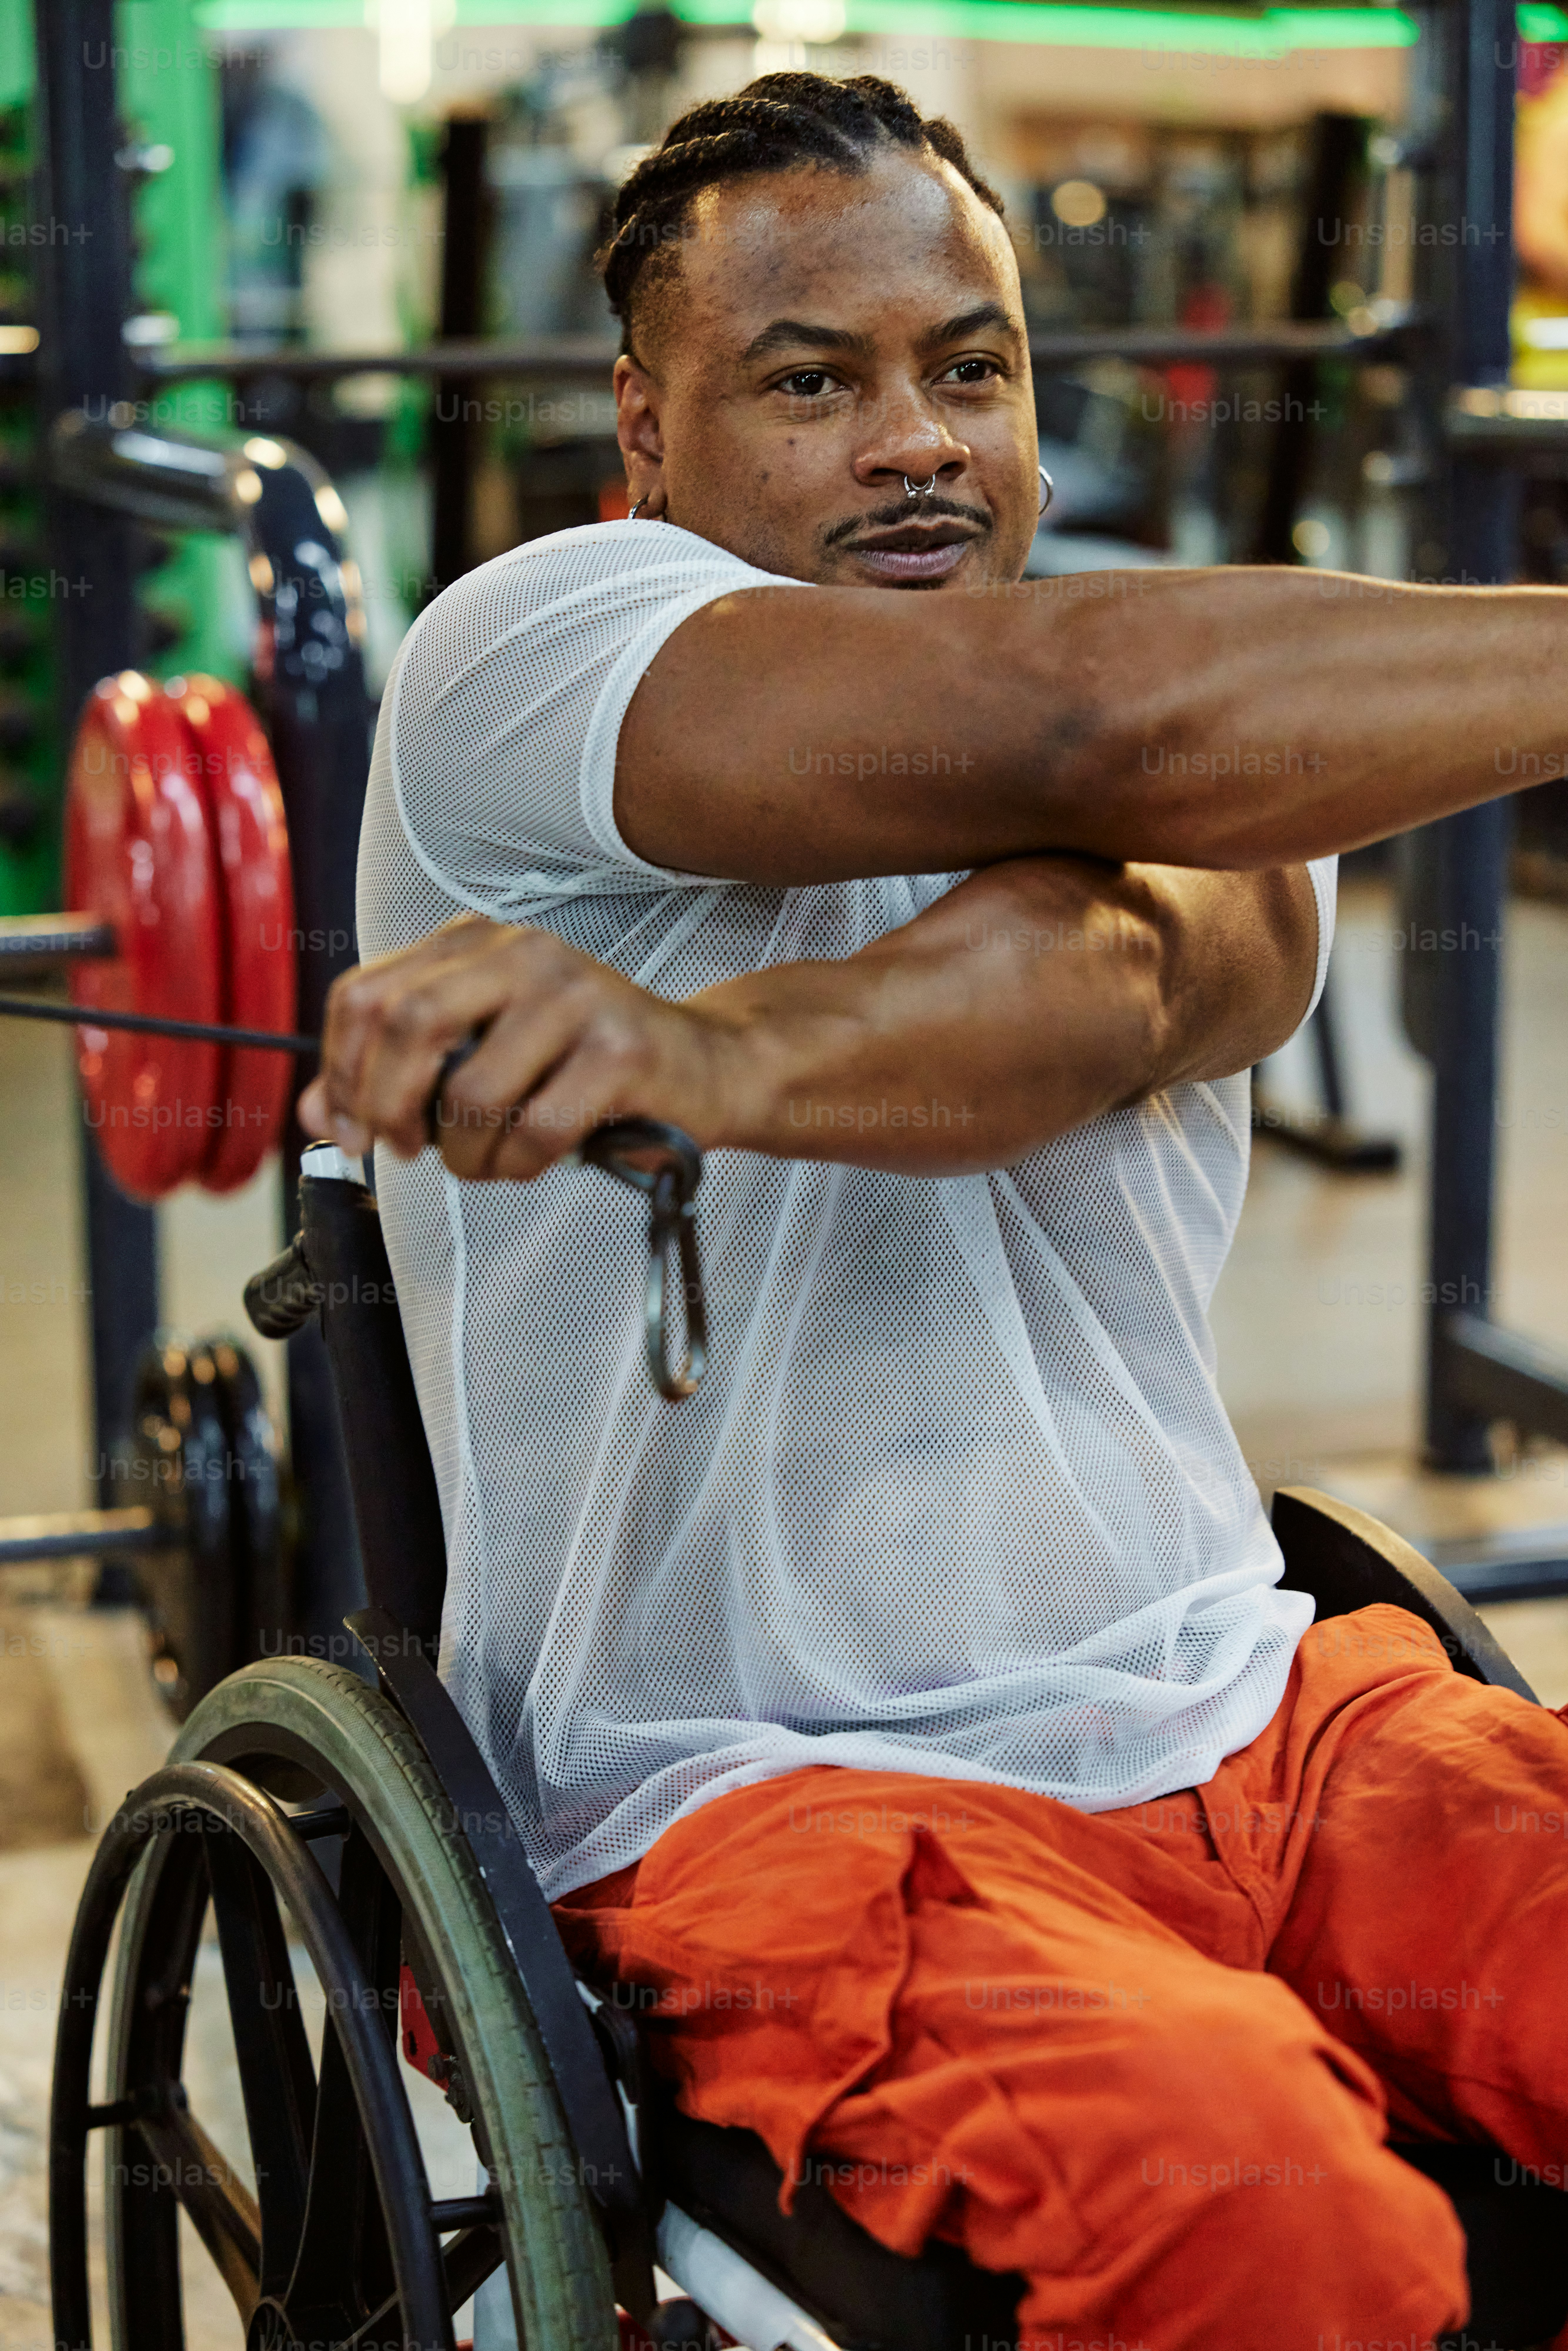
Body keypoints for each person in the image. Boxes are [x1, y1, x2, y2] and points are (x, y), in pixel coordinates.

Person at [301, 74, 1568, 2351]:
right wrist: (714, 1052)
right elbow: (1087, 737)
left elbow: (1127, 959)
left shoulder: (1206, 732)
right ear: (646, 430)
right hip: (758, 1794)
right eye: (813, 381)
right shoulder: (541, 652)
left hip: (1248, 1699)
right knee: (1287, 2230)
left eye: (969, 369)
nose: (916, 441)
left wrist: (712, 1056)